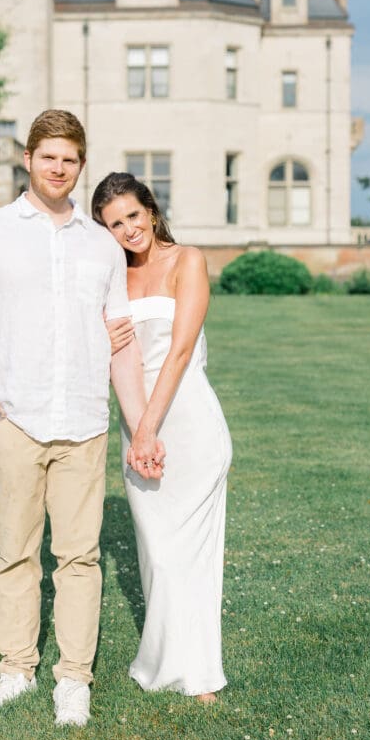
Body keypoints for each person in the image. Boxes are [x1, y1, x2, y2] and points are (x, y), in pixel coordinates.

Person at [0, 112, 164, 728]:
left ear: (79, 165)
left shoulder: (102, 245)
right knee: (15, 555)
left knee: (80, 558)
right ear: (28, 160)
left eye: (69, 159)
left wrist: (141, 425)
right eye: (47, 157)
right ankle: (15, 670)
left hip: (84, 422)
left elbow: (122, 344)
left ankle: (74, 679)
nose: (58, 168)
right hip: (14, 419)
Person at [92, 171, 232, 701]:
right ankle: (161, 662)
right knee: (157, 552)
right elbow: (108, 356)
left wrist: (148, 430)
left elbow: (178, 352)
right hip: (137, 425)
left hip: (188, 422)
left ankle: (198, 676)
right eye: (113, 225)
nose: (127, 230)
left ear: (150, 210)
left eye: (131, 215)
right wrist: (137, 429)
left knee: (191, 555)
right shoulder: (114, 280)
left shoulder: (187, 260)